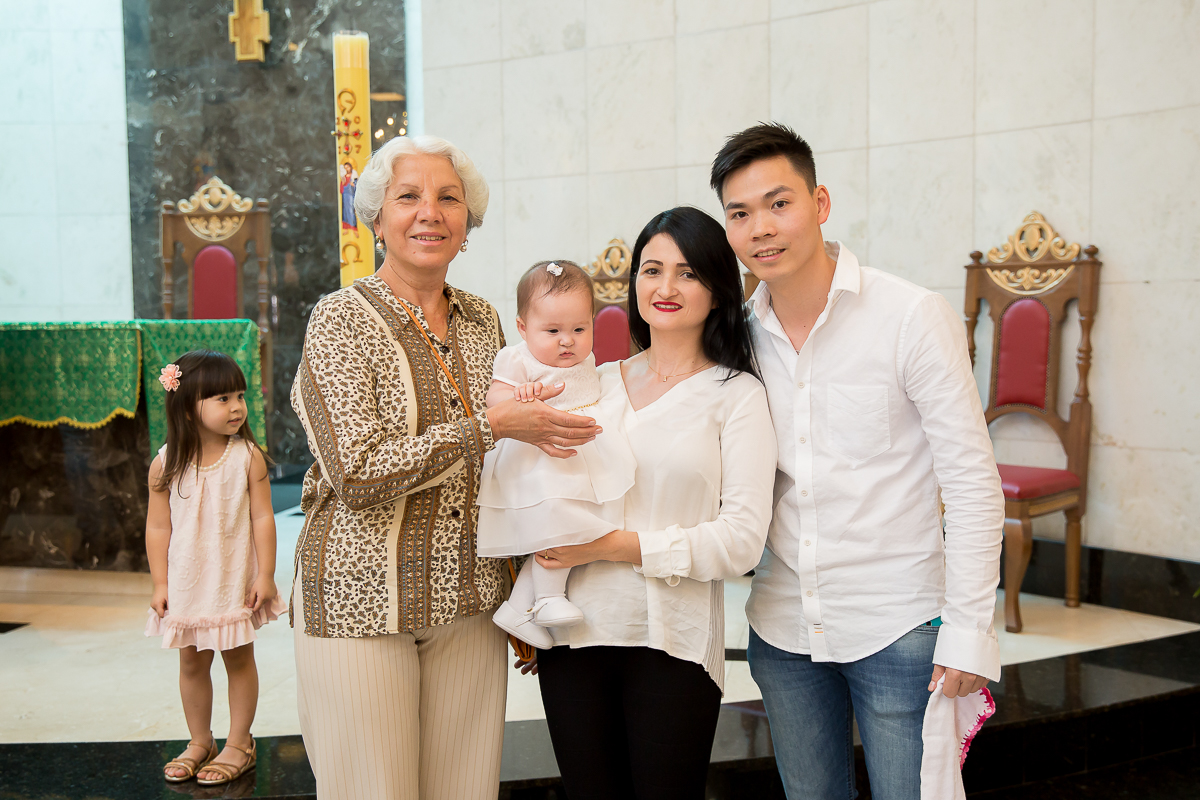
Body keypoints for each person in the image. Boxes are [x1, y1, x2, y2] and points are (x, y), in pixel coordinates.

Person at [289, 134, 601, 800]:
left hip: (467, 600)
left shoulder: (486, 320)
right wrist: (490, 424)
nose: (429, 211)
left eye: (448, 198)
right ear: (377, 219)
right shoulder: (339, 321)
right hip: (360, 601)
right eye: (409, 196)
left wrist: (517, 587)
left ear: (467, 225)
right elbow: (357, 471)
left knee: (466, 790)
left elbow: (508, 468)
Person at [710, 122, 1005, 800]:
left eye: (779, 203)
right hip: (782, 629)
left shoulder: (910, 316)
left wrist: (968, 630)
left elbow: (970, 481)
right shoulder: (735, 337)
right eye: (740, 213)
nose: (762, 228)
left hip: (898, 625)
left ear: (820, 204)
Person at [532, 206, 777, 800]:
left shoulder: (737, 396)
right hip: (574, 640)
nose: (666, 288)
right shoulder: (592, 382)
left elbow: (742, 540)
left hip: (672, 643)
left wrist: (618, 546)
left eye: (688, 273)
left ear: (719, 288)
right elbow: (538, 490)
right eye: (652, 269)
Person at [479, 259, 636, 647]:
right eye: (552, 330)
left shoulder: (585, 358)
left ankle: (518, 608)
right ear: (522, 328)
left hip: (579, 454)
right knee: (556, 523)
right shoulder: (517, 358)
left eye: (580, 329)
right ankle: (549, 597)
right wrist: (518, 396)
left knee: (583, 523)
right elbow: (494, 400)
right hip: (538, 457)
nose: (568, 341)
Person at [144, 349, 284, 786]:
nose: (237, 407)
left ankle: (240, 742)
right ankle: (199, 740)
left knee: (239, 659)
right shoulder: (165, 463)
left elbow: (263, 517)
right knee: (191, 663)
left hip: (231, 578)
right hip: (188, 579)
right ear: (188, 407)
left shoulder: (247, 458)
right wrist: (160, 582)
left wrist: (264, 574)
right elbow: (157, 527)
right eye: (222, 398)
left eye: (239, 395)